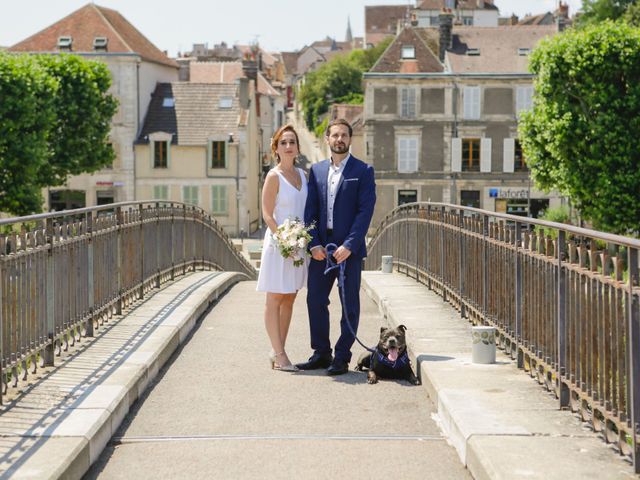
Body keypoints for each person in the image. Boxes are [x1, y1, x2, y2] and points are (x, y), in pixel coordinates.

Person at [296, 118, 376, 375]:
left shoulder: (363, 171)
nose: (339, 139)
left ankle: (342, 356)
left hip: (348, 252)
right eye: (335, 135)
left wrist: (350, 245)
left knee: (349, 303)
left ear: (350, 139)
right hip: (321, 251)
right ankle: (321, 353)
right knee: (315, 299)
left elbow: (365, 212)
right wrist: (314, 244)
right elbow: (310, 211)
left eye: (344, 135)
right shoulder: (317, 171)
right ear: (327, 140)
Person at [256, 124, 308, 372]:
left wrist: (300, 241)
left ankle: (278, 351)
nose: (289, 146)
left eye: (292, 142)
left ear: (298, 147)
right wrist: (285, 240)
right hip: (279, 245)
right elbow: (267, 215)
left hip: (298, 245)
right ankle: (280, 354)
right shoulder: (273, 176)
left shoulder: (302, 175)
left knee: (290, 296)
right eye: (284, 142)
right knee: (275, 297)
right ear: (276, 148)